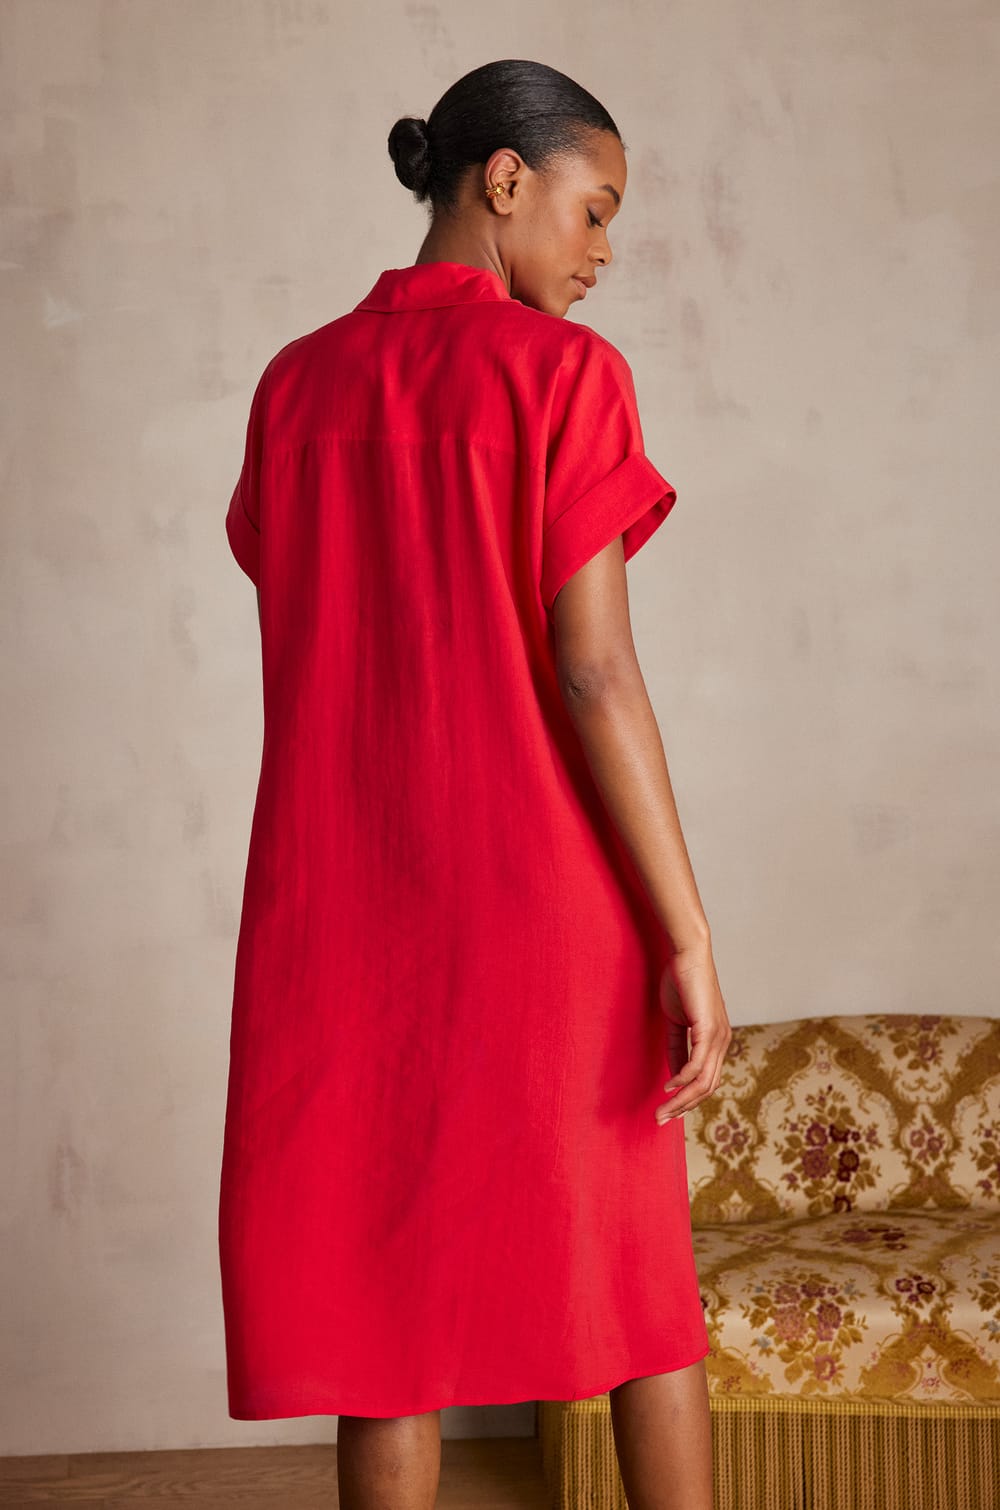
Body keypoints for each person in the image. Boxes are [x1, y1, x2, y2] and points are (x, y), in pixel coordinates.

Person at [218, 56, 731, 1510]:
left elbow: (310, 603)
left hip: (337, 924)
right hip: (544, 913)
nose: (604, 250)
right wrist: (687, 932)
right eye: (594, 208)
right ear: (505, 179)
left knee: (378, 1327)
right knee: (637, 1296)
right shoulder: (567, 377)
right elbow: (595, 672)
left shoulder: (295, 385)